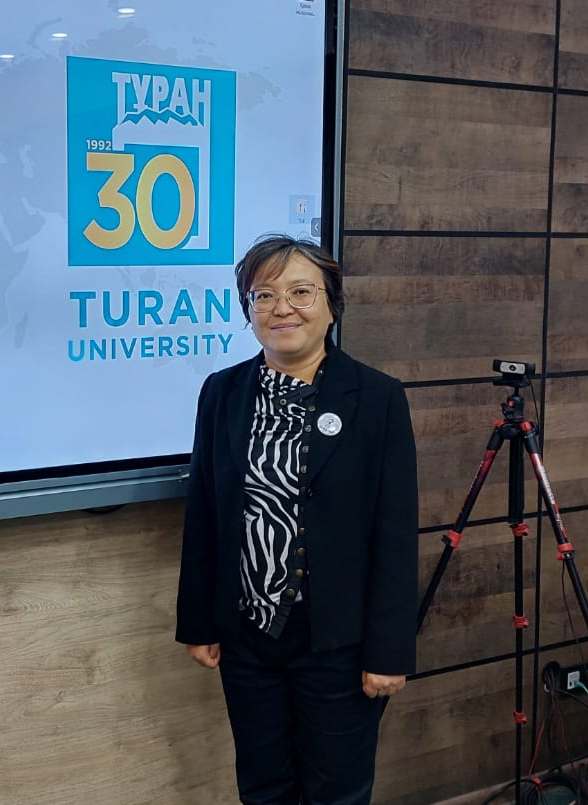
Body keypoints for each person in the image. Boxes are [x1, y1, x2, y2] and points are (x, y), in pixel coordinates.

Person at [176, 234, 419, 804]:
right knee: (263, 789)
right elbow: (205, 511)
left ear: (332, 305)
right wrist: (199, 621)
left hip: (338, 643)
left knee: (336, 793)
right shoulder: (223, 392)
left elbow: (394, 534)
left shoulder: (377, 397)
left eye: (301, 292)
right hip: (248, 638)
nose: (282, 308)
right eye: (263, 295)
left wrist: (388, 653)